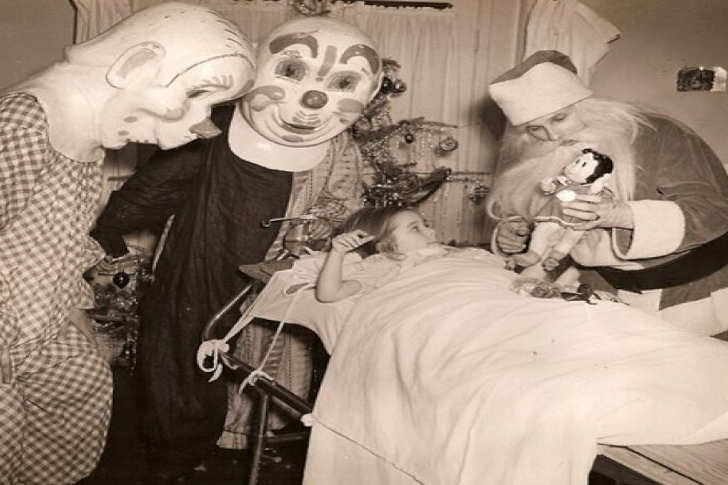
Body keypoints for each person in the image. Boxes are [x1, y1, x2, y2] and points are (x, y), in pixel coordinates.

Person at [89, 16, 382, 481]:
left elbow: (341, 204)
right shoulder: (212, 129)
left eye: (343, 83)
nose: (312, 99)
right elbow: (156, 188)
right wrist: (109, 231)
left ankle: (242, 439)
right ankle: (174, 455)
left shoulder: (339, 147)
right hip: (201, 257)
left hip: (276, 275)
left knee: (265, 357)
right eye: (291, 72)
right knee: (181, 351)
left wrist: (316, 233)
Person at [0, 3, 254, 484]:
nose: (203, 123)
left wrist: (76, 313)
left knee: (80, 391)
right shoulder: (24, 124)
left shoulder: (85, 139)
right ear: (136, 65)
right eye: (196, 97)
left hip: (43, 325)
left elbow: (60, 242)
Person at [486, 49, 728, 336]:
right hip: (606, 286)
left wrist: (621, 215)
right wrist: (518, 235)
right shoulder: (541, 154)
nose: (552, 136)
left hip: (691, 290)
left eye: (560, 118)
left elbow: (714, 212)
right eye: (535, 129)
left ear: (585, 105)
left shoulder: (659, 133)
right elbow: (550, 222)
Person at [511, 147, 614, 277]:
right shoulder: (563, 181)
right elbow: (550, 190)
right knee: (541, 231)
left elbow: (599, 195)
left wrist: (601, 181)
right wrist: (546, 186)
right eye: (576, 162)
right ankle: (533, 254)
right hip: (555, 214)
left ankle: (554, 258)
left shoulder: (593, 187)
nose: (573, 167)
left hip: (579, 220)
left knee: (569, 239)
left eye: (583, 165)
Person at [316, 206, 440, 302]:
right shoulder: (387, 265)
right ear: (385, 245)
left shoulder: (439, 251)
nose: (431, 231)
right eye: (415, 228)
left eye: (426, 225)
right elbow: (330, 294)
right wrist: (337, 252)